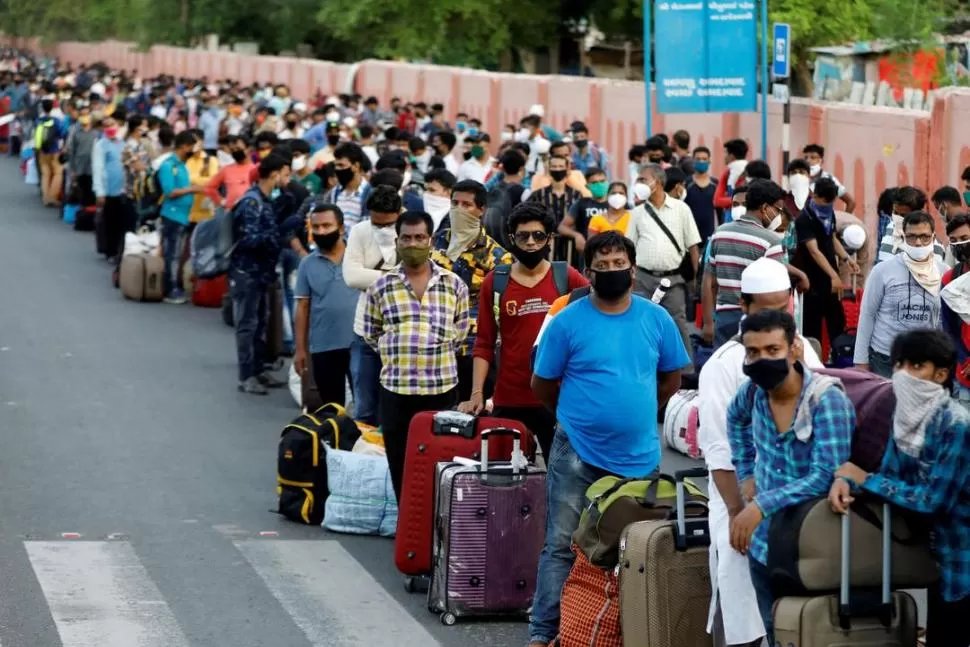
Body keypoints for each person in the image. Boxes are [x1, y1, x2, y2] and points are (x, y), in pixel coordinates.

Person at [528, 231, 690, 647]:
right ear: (590, 273)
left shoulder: (656, 320)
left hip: (638, 456)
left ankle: (627, 629)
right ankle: (544, 634)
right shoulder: (568, 321)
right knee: (562, 544)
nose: (613, 271)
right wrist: (574, 419)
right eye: (603, 266)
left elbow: (671, 378)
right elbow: (542, 384)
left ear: (633, 271)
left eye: (620, 265)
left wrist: (635, 414)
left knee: (635, 549)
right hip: (576, 452)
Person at [698, 257, 822, 647]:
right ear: (745, 305)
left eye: (780, 304)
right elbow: (721, 453)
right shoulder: (722, 367)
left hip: (799, 501)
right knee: (747, 615)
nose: (774, 313)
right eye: (763, 306)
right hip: (741, 500)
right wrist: (740, 517)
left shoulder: (803, 352)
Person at [829, 329, 970, 647]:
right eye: (898, 365)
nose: (904, 375)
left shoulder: (956, 425)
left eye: (916, 366)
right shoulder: (904, 418)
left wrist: (864, 479)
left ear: (941, 374)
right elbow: (890, 474)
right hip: (937, 560)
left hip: (962, 561)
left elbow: (934, 501)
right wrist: (846, 478)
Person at [726, 309, 855, 645]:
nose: (761, 360)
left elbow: (827, 474)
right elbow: (735, 419)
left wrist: (760, 505)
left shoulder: (826, 401)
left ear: (794, 348)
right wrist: (745, 472)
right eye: (753, 353)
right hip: (765, 547)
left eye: (772, 350)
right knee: (775, 633)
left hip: (813, 549)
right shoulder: (753, 392)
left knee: (814, 635)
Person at [460, 202, 587, 460]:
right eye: (523, 236)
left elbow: (597, 318)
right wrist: (476, 393)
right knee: (505, 485)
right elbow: (483, 342)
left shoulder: (567, 277)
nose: (530, 242)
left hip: (558, 400)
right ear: (512, 239)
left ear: (549, 239)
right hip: (509, 399)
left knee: (561, 480)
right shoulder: (495, 281)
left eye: (538, 236)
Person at [363, 210, 470, 501]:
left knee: (442, 462)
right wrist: (400, 351)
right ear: (397, 241)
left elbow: (461, 331)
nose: (413, 244)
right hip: (397, 391)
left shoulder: (453, 284)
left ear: (431, 240)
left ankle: (436, 532)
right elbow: (371, 333)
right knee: (400, 462)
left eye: (419, 237)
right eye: (407, 238)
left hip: (442, 389)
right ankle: (407, 532)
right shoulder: (381, 287)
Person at [431, 179, 512, 401]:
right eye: (454, 203)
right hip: (434, 347)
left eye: (466, 205)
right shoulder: (436, 243)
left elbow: (499, 308)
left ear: (481, 209)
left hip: (472, 350)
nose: (458, 210)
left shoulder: (497, 257)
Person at [855, 211, 947, 378]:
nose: (918, 243)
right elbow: (867, 315)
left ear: (933, 238)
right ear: (903, 238)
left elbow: (945, 320)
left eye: (924, 237)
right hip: (884, 360)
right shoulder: (882, 271)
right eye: (912, 236)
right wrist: (861, 361)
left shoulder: (943, 273)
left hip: (926, 362)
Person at [627, 163, 701, 360]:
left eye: (642, 179)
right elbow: (629, 248)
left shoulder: (681, 209)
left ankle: (686, 370)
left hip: (673, 280)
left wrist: (695, 281)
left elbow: (693, 247)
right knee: (641, 323)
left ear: (657, 182)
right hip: (642, 278)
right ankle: (645, 364)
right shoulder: (637, 213)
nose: (638, 184)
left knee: (677, 322)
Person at [703, 180, 789, 347]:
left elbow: (710, 282)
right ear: (765, 208)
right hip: (757, 319)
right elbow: (777, 290)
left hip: (723, 317)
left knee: (725, 366)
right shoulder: (770, 240)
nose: (778, 215)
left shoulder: (719, 233)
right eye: (777, 210)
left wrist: (708, 322)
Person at [343, 186, 403, 426]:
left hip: (400, 331)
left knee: (394, 408)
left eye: (388, 225)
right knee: (364, 407)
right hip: (365, 331)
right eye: (376, 224)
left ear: (399, 214)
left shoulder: (412, 230)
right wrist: (396, 277)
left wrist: (372, 276)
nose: (382, 230)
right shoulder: (360, 231)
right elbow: (351, 277)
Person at [229, 154, 287, 395]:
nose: (287, 178)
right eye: (285, 173)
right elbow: (247, 239)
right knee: (247, 324)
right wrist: (276, 234)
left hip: (262, 272)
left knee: (261, 321)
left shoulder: (264, 200)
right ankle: (246, 375)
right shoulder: (251, 202)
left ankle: (258, 369)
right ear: (274, 174)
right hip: (247, 271)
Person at [293, 203, 357, 407]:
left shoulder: (359, 258)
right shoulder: (307, 264)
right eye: (316, 227)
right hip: (324, 347)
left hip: (360, 346)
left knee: (365, 407)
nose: (321, 231)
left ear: (341, 228)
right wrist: (300, 350)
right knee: (331, 409)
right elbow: (302, 308)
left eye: (326, 225)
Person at [793, 177, 856, 347]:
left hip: (830, 278)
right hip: (812, 280)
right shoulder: (805, 218)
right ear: (815, 195)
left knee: (837, 321)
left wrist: (846, 258)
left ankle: (840, 356)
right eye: (825, 200)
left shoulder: (829, 214)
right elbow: (814, 250)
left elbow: (832, 238)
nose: (827, 204)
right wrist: (834, 275)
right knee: (812, 328)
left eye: (831, 201)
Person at [157, 131, 206, 304]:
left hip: (183, 215)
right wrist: (193, 189)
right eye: (192, 146)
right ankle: (170, 290)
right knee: (172, 254)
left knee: (177, 253)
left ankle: (174, 286)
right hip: (172, 215)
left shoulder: (182, 165)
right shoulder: (169, 166)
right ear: (184, 146)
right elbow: (170, 192)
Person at [940, 214, 970, 409]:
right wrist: (965, 359)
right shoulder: (950, 279)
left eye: (964, 238)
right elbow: (949, 329)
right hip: (966, 375)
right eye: (954, 241)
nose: (960, 244)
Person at [877, 186, 946, 264]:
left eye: (903, 215)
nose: (897, 218)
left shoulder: (932, 246)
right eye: (895, 213)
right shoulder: (891, 227)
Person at [91, 114, 127, 261]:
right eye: (107, 126)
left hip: (123, 189)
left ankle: (119, 249)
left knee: (122, 221)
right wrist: (100, 191)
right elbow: (98, 168)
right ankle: (110, 250)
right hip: (108, 190)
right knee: (110, 221)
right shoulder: (100, 145)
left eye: (113, 125)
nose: (111, 128)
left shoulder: (123, 143)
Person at [802, 143, 856, 213]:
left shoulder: (829, 179)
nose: (808, 161)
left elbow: (851, 202)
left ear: (821, 161)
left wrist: (843, 219)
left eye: (813, 158)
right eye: (806, 158)